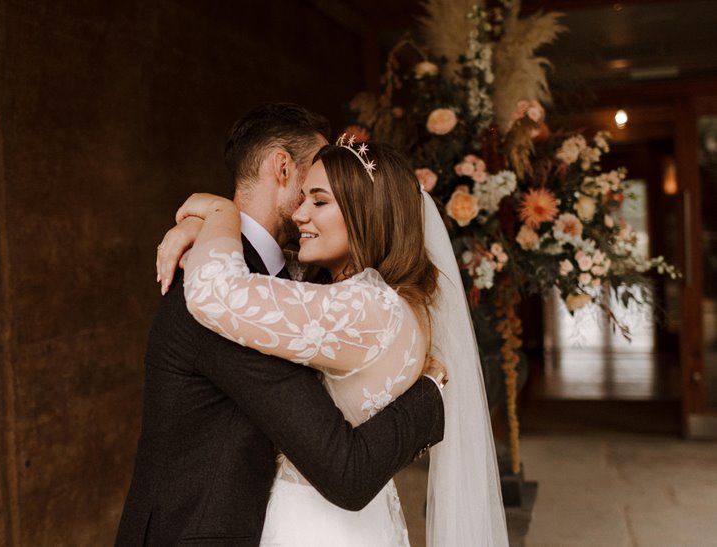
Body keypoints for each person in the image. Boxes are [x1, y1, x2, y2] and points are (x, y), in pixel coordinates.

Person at [114, 103, 446, 547]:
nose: (309, 205)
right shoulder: (222, 286)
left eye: (323, 197)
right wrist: (431, 395)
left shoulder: (293, 286)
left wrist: (213, 214)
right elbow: (343, 465)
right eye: (311, 186)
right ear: (283, 168)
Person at [172, 138, 508, 545]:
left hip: (316, 525)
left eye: (319, 202)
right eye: (302, 200)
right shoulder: (394, 301)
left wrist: (219, 212)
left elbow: (214, 291)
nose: (298, 215)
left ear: (366, 212)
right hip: (361, 519)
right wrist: (196, 227)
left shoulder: (365, 309)